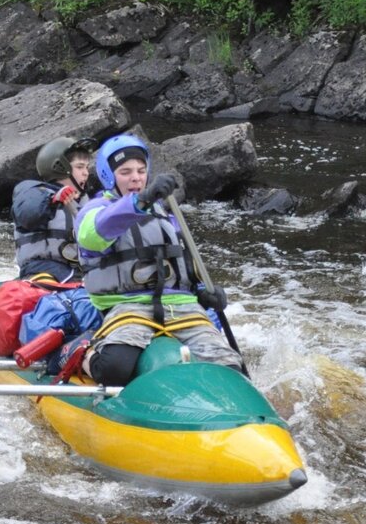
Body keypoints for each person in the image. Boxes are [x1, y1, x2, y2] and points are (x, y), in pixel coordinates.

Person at [72, 133, 242, 386]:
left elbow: (183, 261)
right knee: (114, 368)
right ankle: (80, 351)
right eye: (125, 171)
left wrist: (203, 293)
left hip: (180, 306)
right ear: (109, 176)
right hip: (127, 306)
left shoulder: (164, 213)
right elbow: (92, 237)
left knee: (229, 366)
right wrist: (140, 202)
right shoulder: (96, 211)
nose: (135, 178)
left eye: (141, 171)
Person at [11, 136, 96, 282]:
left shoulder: (85, 203)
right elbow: (28, 215)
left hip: (76, 272)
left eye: (87, 167)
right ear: (61, 167)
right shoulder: (33, 192)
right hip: (41, 271)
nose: (86, 173)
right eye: (80, 167)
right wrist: (52, 200)